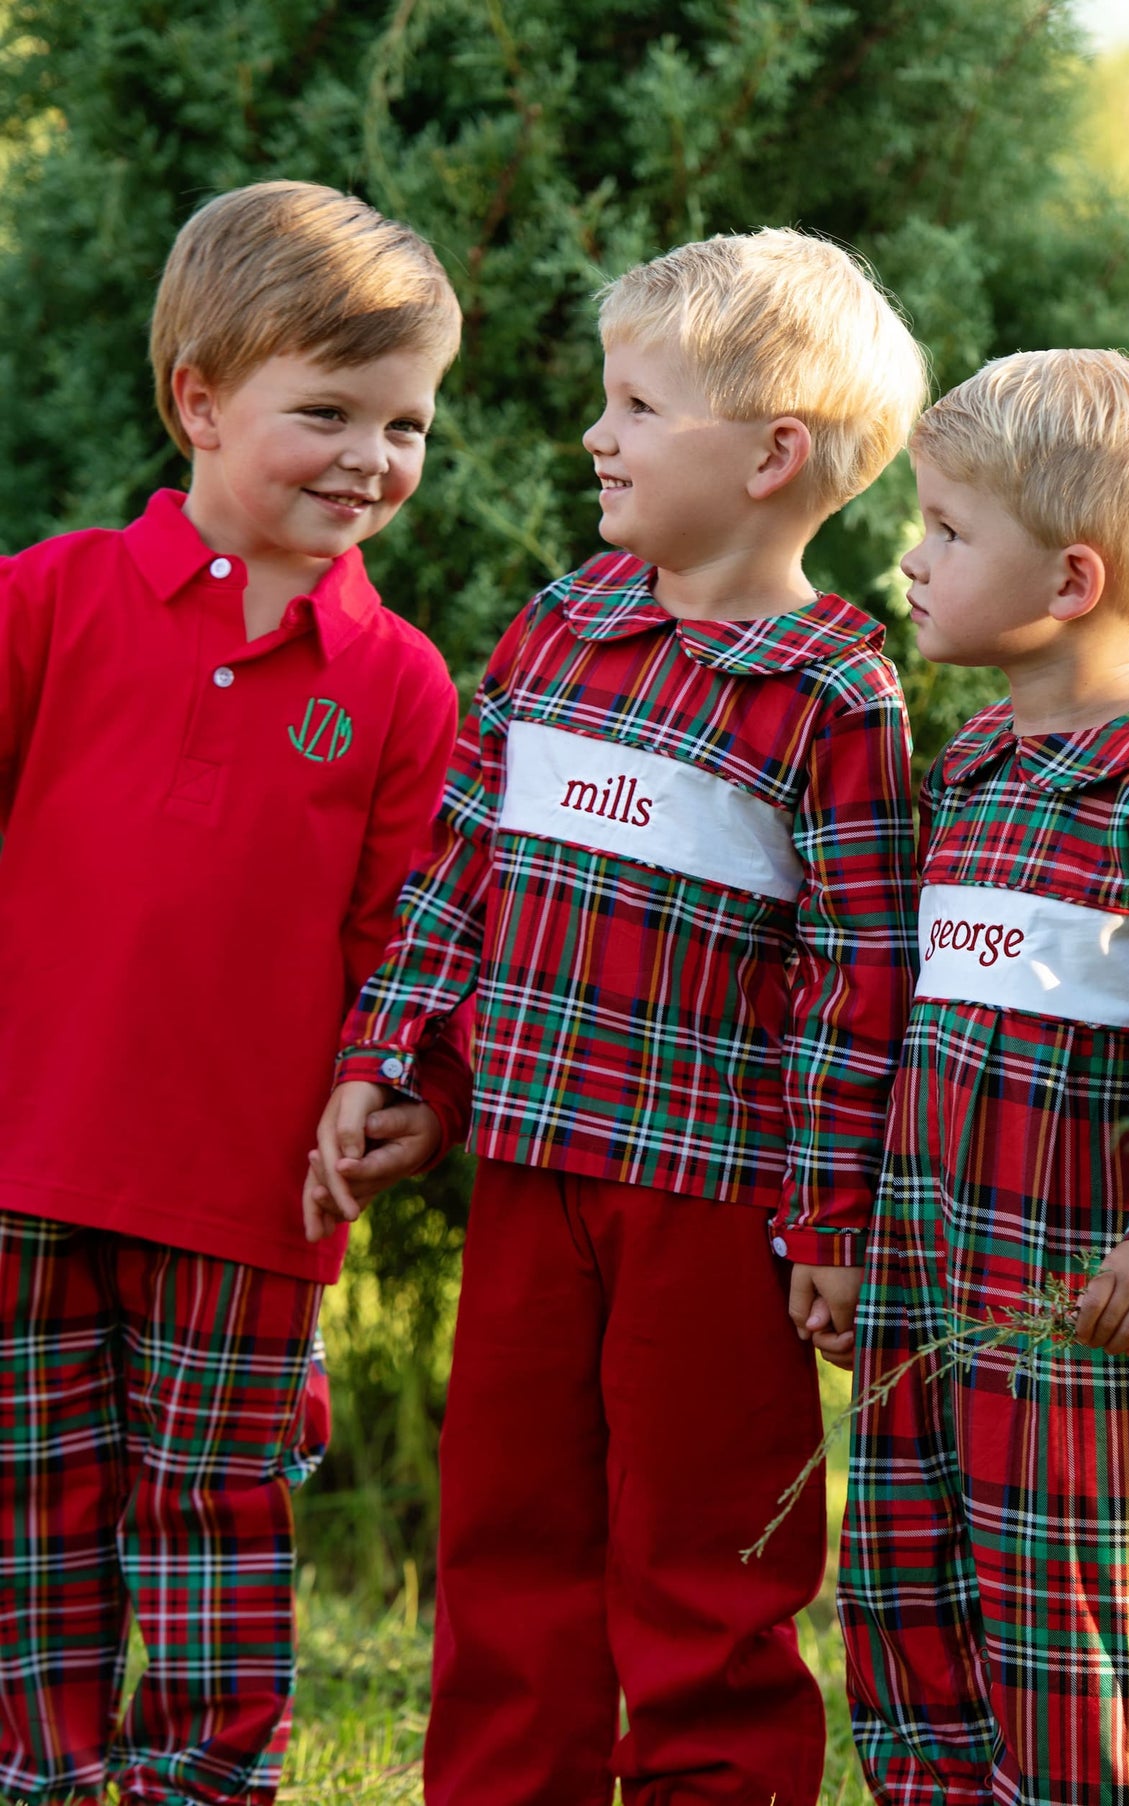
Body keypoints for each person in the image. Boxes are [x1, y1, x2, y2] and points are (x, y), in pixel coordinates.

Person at [307, 227, 928, 1806]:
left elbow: (861, 979)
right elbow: (461, 867)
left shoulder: (830, 693)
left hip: (713, 1210)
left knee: (708, 1558)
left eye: (638, 407)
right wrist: (392, 1055)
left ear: (771, 454)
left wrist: (832, 1221)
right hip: (530, 1170)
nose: (598, 433)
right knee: (510, 1533)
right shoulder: (558, 629)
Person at [0, 180, 466, 1806]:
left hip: (253, 1182)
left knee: (215, 1505)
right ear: (198, 398)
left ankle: (200, 1777)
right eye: (326, 411)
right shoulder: (47, 602)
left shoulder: (399, 683)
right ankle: (38, 1770)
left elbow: (407, 930)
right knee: (30, 1496)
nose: (373, 458)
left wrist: (400, 1082)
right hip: (25, 1158)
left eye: (407, 424)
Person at [836, 350, 1129, 1805]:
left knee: (1085, 1626)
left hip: (1085, 1291)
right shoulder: (971, 764)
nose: (912, 560)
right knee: (916, 1586)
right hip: (931, 1274)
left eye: (948, 532)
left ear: (1073, 577)